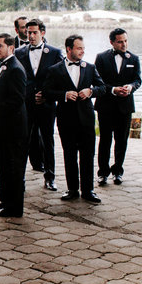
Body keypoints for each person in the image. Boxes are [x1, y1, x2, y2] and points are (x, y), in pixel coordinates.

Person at [44, 35, 106, 203]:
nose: (82, 51)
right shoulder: (55, 70)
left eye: (83, 48)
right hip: (66, 119)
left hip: (86, 119)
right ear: (69, 49)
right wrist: (63, 95)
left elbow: (103, 88)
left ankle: (88, 190)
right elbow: (47, 93)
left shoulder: (90, 68)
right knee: (69, 155)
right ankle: (72, 189)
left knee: (88, 155)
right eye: (79, 48)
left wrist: (90, 92)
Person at [0, 33, 28, 217]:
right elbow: (7, 94)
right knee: (4, 166)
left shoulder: (15, 68)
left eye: (0, 46)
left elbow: (16, 101)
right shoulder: (4, 66)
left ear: (11, 48)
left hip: (14, 129)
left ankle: (14, 207)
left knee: (13, 168)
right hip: (4, 128)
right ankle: (5, 202)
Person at [15, 19, 62, 191]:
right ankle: (20, 178)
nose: (31, 36)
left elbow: (60, 78)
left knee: (48, 140)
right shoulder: (19, 52)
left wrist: (47, 96)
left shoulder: (55, 53)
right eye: (28, 32)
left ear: (43, 33)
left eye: (34, 32)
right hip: (26, 105)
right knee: (23, 140)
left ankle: (50, 177)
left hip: (46, 105)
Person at [93, 28, 142, 186]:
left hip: (125, 106)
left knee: (122, 141)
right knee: (105, 140)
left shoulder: (133, 58)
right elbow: (97, 82)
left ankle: (118, 171)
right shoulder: (101, 58)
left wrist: (129, 87)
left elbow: (138, 80)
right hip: (106, 105)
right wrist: (113, 90)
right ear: (112, 42)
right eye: (120, 41)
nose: (124, 44)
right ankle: (103, 173)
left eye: (125, 41)